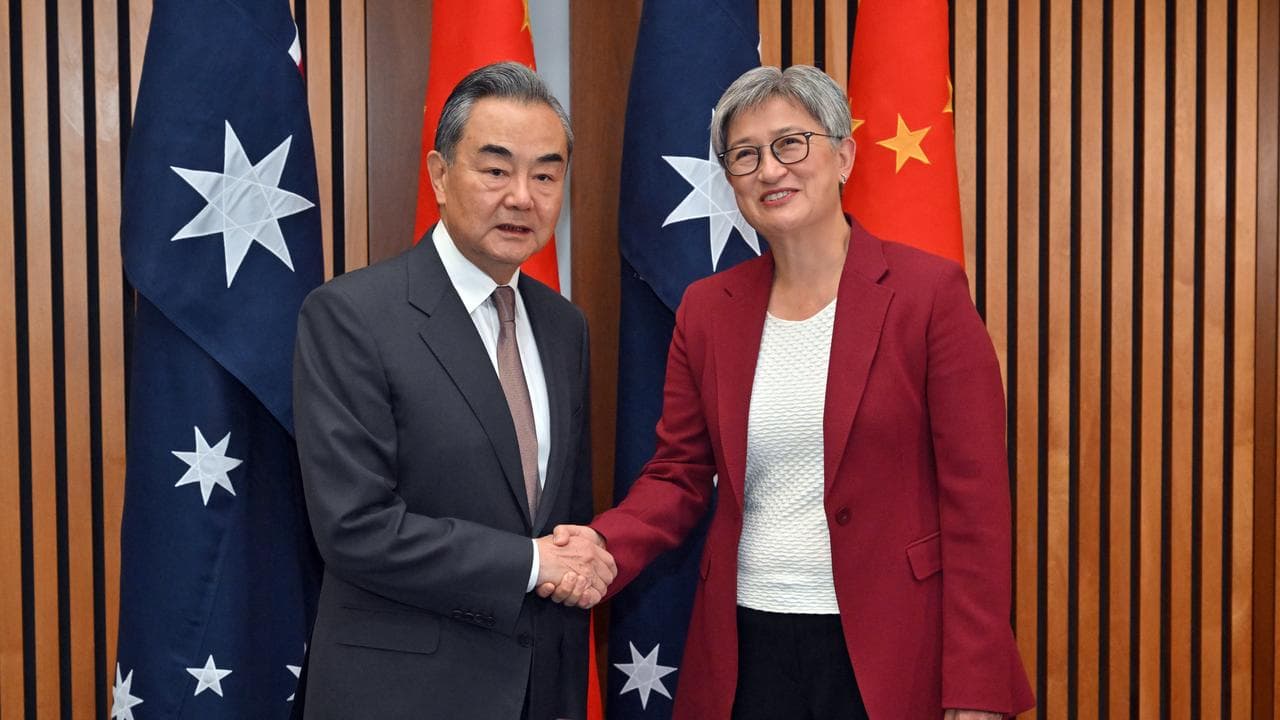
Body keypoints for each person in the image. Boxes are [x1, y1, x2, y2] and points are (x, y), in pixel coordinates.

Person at [543, 65, 1035, 719]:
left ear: (843, 155)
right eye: (745, 155)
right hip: (747, 647)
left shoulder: (928, 296)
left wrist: (975, 688)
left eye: (790, 144)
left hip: (890, 647)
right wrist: (605, 544)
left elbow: (976, 510)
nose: (769, 170)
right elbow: (680, 475)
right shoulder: (706, 311)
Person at [293, 61, 613, 720]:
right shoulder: (351, 315)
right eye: (496, 170)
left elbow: (559, 518)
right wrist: (531, 563)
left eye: (546, 175)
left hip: (540, 691)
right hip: (403, 697)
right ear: (440, 175)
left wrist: (584, 555)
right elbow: (355, 528)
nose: (522, 196)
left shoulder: (563, 326)